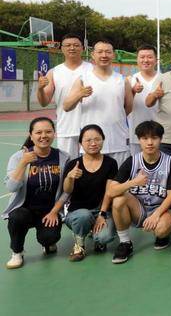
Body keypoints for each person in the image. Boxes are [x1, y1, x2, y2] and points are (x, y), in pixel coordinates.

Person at [3, 117, 70, 269]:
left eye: (48, 132)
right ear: (31, 135)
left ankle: (47, 242)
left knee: (49, 238)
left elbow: (67, 191)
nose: (43, 136)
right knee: (17, 217)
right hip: (25, 209)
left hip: (49, 211)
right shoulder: (18, 157)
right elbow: (12, 187)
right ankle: (17, 252)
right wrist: (23, 163)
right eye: (38, 132)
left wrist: (54, 212)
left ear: (54, 134)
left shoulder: (63, 157)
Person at [108, 121, 171, 264]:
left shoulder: (170, 162)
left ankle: (163, 235)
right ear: (139, 140)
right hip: (138, 209)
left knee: (161, 230)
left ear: (161, 139)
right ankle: (125, 242)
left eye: (154, 138)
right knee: (118, 199)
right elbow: (111, 191)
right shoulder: (132, 161)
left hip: (161, 209)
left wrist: (156, 215)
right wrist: (133, 182)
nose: (150, 142)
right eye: (145, 138)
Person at [63, 39, 133, 166]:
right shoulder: (83, 79)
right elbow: (66, 106)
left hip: (118, 142)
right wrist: (79, 94)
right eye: (100, 52)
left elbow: (128, 108)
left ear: (113, 55)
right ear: (93, 55)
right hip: (91, 145)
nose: (104, 55)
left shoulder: (122, 80)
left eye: (108, 52)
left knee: (118, 178)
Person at [62, 124, 118, 261]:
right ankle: (79, 245)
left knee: (104, 237)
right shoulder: (73, 165)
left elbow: (109, 191)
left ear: (103, 140)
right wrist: (70, 177)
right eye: (88, 140)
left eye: (97, 139)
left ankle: (97, 237)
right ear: (81, 143)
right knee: (84, 216)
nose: (93, 143)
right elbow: (67, 190)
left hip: (101, 210)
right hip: (78, 212)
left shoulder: (111, 163)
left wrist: (102, 214)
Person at [36, 33, 92, 158]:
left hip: (90, 125)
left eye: (76, 45)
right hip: (66, 126)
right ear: (62, 48)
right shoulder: (54, 72)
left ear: (82, 48)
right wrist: (40, 89)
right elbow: (44, 102)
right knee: (68, 165)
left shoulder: (92, 70)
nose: (72, 48)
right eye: (68, 45)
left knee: (91, 164)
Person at [128, 45, 159, 155]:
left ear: (156, 60)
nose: (146, 60)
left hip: (159, 135)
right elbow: (124, 106)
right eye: (142, 57)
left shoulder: (164, 79)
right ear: (137, 59)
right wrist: (133, 91)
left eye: (149, 57)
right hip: (136, 135)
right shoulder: (130, 80)